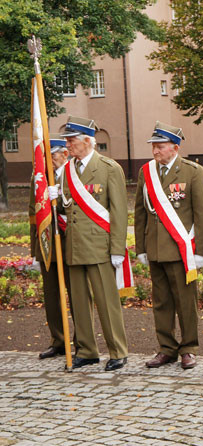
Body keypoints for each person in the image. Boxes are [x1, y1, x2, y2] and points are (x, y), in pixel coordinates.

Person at [48, 116, 129, 371]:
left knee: (106, 302)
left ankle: (118, 350)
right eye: (67, 141)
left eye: (72, 141)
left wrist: (117, 249)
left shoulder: (108, 168)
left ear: (87, 141)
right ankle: (86, 350)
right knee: (79, 303)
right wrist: (53, 199)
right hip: (74, 246)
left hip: (99, 246)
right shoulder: (67, 171)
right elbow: (65, 207)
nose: (68, 145)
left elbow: (118, 213)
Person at [135, 122, 203, 370]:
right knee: (161, 302)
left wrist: (200, 251)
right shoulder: (146, 172)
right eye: (153, 146)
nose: (155, 151)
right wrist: (141, 248)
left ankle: (188, 348)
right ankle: (166, 348)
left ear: (175, 148)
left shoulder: (192, 171)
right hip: (156, 248)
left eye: (160, 146)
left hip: (182, 251)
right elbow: (140, 213)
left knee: (185, 302)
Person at [29, 134, 73, 359]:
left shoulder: (73, 174)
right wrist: (34, 250)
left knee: (76, 295)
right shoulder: (39, 178)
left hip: (71, 244)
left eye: (52, 156)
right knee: (51, 296)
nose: (48, 161)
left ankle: (81, 341)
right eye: (45, 156)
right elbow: (33, 214)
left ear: (64, 154)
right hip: (47, 245)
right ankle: (58, 340)